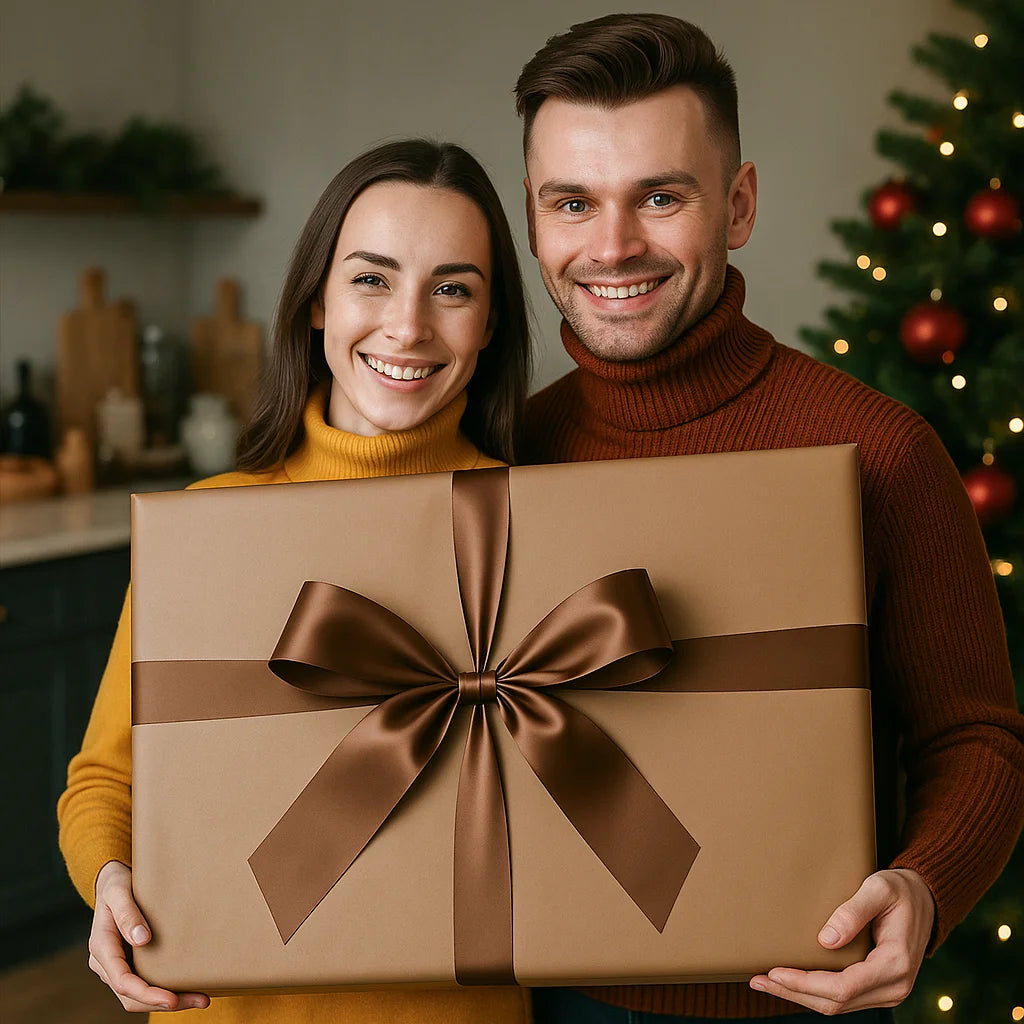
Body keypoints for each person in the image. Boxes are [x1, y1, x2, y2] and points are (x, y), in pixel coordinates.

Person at [514, 13, 1024, 1023]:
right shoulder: (501, 460)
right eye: (571, 202)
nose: (611, 245)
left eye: (661, 197)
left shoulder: (877, 450)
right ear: (533, 219)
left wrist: (923, 886)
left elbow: (978, 739)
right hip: (538, 997)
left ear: (737, 204)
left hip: (796, 1000)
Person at [57, 138, 533, 1022]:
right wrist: (111, 877)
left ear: (492, 321)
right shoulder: (205, 529)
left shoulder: (544, 527)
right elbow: (106, 784)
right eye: (372, 278)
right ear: (316, 298)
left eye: (454, 288)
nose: (409, 325)